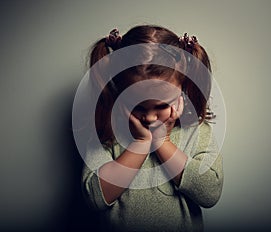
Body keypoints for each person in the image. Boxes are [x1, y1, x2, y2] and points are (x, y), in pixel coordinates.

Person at [81, 25, 223, 232]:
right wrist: (141, 143)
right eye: (137, 106)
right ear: (119, 93)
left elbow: (209, 193)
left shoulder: (196, 131)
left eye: (161, 106)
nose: (149, 117)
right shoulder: (107, 133)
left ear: (181, 93)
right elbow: (95, 198)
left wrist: (162, 142)